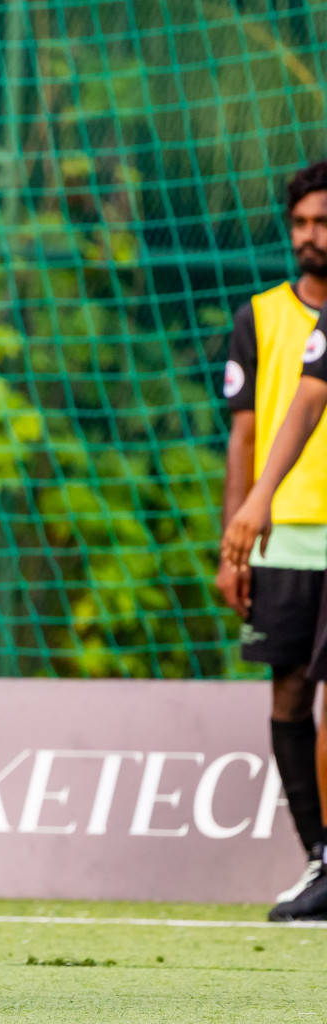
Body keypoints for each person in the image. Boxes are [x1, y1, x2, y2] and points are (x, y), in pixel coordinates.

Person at [217, 163, 327, 923]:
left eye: (323, 222)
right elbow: (253, 430)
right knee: (290, 692)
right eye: (301, 224)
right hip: (284, 536)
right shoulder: (262, 317)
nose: (311, 237)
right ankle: (318, 855)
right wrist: (241, 528)